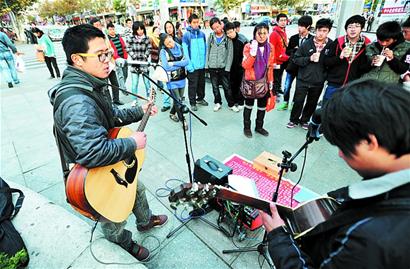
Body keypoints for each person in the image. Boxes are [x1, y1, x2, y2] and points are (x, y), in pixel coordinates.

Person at [48, 24, 168, 262]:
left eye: (109, 53)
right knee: (113, 215)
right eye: (100, 55)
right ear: (77, 59)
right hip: (95, 172)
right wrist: (132, 143)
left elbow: (109, 113)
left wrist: (138, 110)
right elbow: (92, 153)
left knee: (136, 188)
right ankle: (124, 244)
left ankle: (145, 221)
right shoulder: (77, 102)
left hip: (109, 159)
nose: (108, 60)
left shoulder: (91, 82)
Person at [260, 78, 410, 268]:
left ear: (370, 143)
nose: (340, 154)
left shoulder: (371, 240)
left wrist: (278, 236)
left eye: (343, 146)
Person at [287, 18, 333, 130]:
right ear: (315, 30)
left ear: (328, 31)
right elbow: (296, 59)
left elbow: (332, 62)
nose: (321, 33)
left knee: (312, 103)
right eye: (319, 30)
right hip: (303, 78)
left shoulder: (331, 45)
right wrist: (309, 58)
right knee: (298, 101)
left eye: (324, 31)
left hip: (318, 80)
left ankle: (305, 120)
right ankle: (293, 120)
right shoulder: (307, 43)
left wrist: (325, 76)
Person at [323, 15, 371, 103]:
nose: (353, 29)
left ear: (362, 28)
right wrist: (340, 57)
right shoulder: (338, 42)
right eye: (350, 27)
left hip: (353, 86)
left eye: (356, 26)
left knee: (345, 113)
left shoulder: (367, 45)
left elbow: (364, 68)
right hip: (334, 84)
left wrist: (372, 63)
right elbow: (326, 62)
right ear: (346, 29)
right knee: (327, 109)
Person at [242, 23, 275, 138]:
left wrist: (271, 81)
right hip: (250, 82)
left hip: (264, 81)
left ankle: (259, 127)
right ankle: (246, 128)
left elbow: (270, 66)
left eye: (264, 33)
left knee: (262, 106)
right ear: (254, 34)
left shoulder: (270, 47)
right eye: (259, 33)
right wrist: (253, 54)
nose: (262, 36)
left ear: (268, 34)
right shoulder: (248, 46)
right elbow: (245, 65)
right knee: (249, 106)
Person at [277, 15, 313, 111]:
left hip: (303, 69)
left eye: (301, 26)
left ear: (308, 27)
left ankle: (293, 104)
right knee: (287, 86)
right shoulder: (293, 38)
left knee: (298, 88)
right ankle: (285, 102)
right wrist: (295, 50)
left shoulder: (312, 40)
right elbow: (287, 51)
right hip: (292, 67)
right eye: (298, 26)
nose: (299, 28)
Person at [90, 18, 123, 105]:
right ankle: (108, 103)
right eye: (96, 25)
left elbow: (110, 47)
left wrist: (110, 52)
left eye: (99, 25)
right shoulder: (91, 38)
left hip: (110, 63)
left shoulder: (104, 35)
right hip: (101, 65)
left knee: (115, 83)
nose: (98, 27)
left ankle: (116, 99)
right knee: (105, 86)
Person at [160, 34, 189, 130]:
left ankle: (172, 113)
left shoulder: (180, 47)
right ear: (164, 45)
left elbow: (187, 61)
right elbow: (166, 67)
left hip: (182, 78)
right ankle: (183, 120)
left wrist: (173, 63)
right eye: (167, 44)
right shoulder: (163, 51)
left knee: (178, 99)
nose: (170, 44)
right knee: (178, 101)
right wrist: (180, 64)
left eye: (170, 41)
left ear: (172, 38)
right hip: (171, 81)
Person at [206, 17, 235, 112]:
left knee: (227, 87)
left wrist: (227, 67)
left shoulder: (227, 37)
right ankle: (217, 102)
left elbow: (230, 53)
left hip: (223, 67)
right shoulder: (210, 37)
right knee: (214, 87)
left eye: (218, 27)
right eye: (214, 28)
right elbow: (207, 51)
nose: (217, 30)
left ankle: (231, 104)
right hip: (212, 66)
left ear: (221, 24)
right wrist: (207, 65)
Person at [182, 14, 208, 111]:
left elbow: (205, 49)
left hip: (201, 66)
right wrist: (189, 65)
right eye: (194, 22)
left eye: (198, 22)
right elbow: (185, 51)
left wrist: (205, 63)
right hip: (192, 66)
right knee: (193, 85)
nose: (196, 24)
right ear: (190, 23)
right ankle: (192, 102)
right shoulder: (186, 36)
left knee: (202, 83)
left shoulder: (202, 34)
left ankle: (200, 99)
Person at [126, 21, 152, 103]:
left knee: (147, 83)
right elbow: (128, 48)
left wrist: (145, 56)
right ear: (135, 30)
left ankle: (149, 98)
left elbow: (149, 48)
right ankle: (134, 100)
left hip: (144, 63)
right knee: (134, 84)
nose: (140, 31)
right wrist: (133, 56)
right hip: (135, 63)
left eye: (141, 29)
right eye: (138, 29)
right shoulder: (131, 38)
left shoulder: (146, 38)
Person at [224, 21, 248, 110]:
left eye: (231, 32)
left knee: (241, 85)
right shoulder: (227, 40)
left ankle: (241, 101)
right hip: (231, 67)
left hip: (241, 67)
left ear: (235, 30)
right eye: (227, 33)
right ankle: (235, 101)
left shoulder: (243, 39)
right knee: (232, 85)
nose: (229, 34)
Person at [150, 26, 171, 112]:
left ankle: (174, 102)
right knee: (166, 87)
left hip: (172, 69)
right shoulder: (161, 49)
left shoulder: (170, 46)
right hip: (165, 70)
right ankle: (167, 103)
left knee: (170, 87)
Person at [269, 13, 289, 97]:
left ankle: (278, 89)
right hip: (276, 60)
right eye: (281, 20)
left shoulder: (283, 31)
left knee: (280, 75)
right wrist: (272, 62)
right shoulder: (274, 34)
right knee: (275, 77)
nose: (283, 22)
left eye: (285, 20)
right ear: (277, 22)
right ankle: (274, 93)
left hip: (283, 58)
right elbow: (271, 48)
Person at [107, 23, 129, 100]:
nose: (112, 31)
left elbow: (124, 45)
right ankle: (123, 89)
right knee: (121, 75)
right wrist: (116, 58)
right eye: (110, 29)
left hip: (124, 57)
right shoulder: (108, 39)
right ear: (108, 30)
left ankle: (122, 85)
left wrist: (126, 54)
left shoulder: (118, 36)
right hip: (116, 59)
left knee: (126, 74)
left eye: (113, 29)